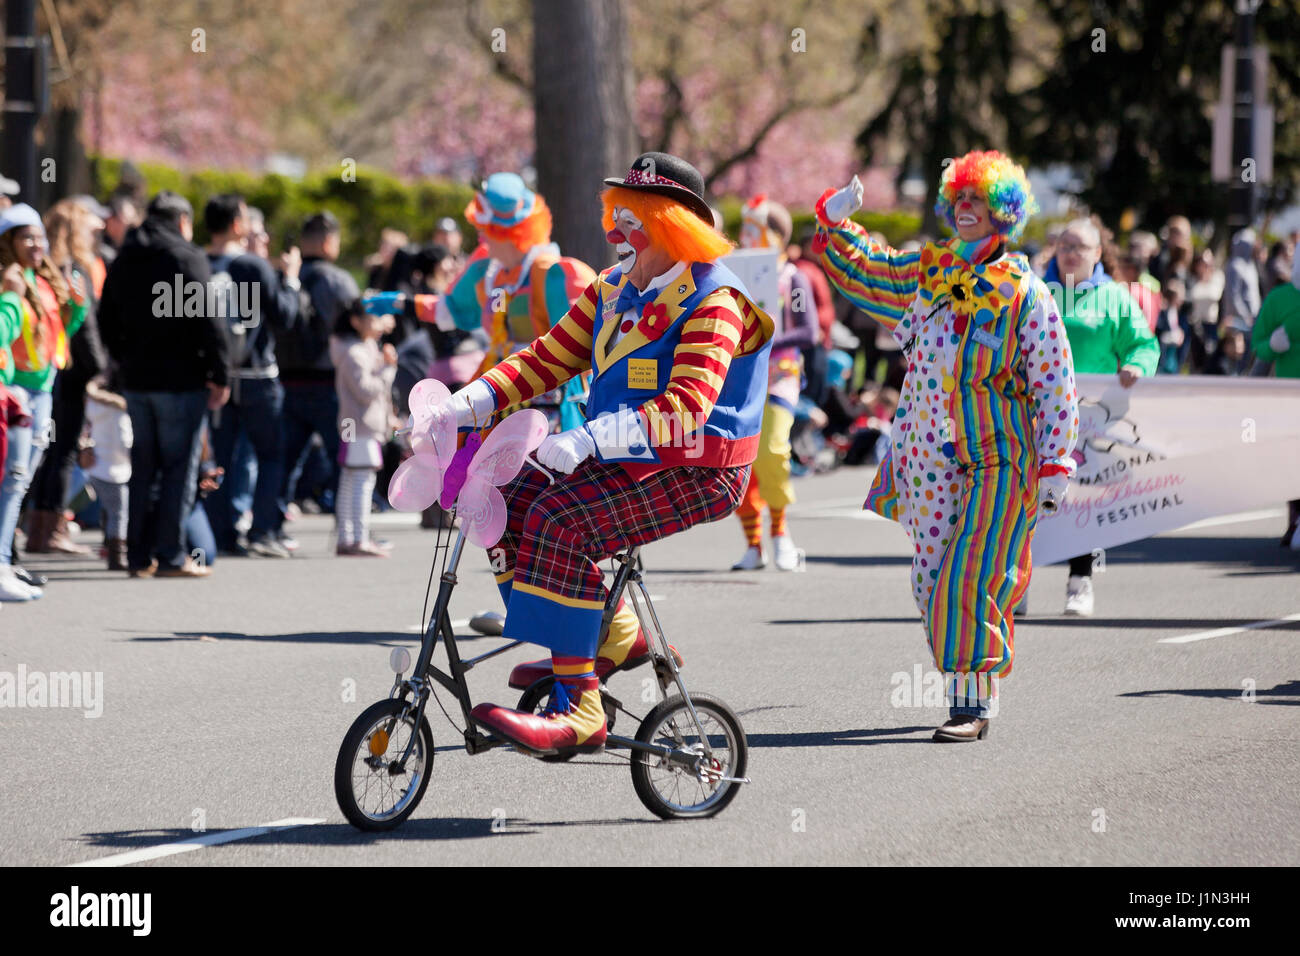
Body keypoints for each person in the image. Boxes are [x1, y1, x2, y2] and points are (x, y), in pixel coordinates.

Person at [389, 152, 775, 758]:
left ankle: (580, 709)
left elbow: (687, 408)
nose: (618, 229)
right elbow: (544, 358)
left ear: (673, 225)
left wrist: (590, 438)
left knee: (562, 521)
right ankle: (595, 640)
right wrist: (466, 403)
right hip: (632, 458)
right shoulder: (614, 287)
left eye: (634, 217)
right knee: (496, 496)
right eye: (616, 214)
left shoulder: (715, 299)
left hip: (702, 467)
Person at [815, 150, 1078, 741]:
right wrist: (837, 226)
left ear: (1003, 212)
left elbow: (1054, 380)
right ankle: (971, 663)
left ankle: (970, 703)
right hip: (926, 454)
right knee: (930, 579)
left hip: (998, 456)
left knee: (970, 573)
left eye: (978, 201)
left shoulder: (1025, 294)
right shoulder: (929, 275)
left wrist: (1058, 459)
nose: (965, 209)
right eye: (959, 199)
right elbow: (872, 271)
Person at [98, 190, 230, 578]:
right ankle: (171, 556)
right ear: (182, 221)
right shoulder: (187, 257)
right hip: (181, 379)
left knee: (143, 465)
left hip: (137, 381)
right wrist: (220, 374)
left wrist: (123, 358)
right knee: (178, 469)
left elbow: (105, 317)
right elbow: (210, 320)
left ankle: (138, 556)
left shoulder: (125, 256)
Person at [1045, 217, 1157, 615]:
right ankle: (1015, 584)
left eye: (1079, 247)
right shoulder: (1036, 293)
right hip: (1036, 413)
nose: (1070, 253)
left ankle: (1080, 582)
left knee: (1083, 499)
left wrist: (1136, 366)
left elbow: (1143, 344)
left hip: (1091, 419)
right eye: (1063, 246)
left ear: (1097, 254)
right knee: (1024, 496)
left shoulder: (1115, 298)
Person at [202, 193, 302, 558]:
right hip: (258, 374)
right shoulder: (254, 266)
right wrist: (290, 280)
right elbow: (286, 317)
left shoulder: (198, 262)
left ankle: (219, 535)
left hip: (216, 377)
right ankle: (262, 531)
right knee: (271, 453)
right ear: (236, 224)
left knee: (220, 457)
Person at [0, 203, 89, 601]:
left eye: (39, 236)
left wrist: (77, 308)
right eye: (26, 237)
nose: (36, 243)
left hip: (42, 392)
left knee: (20, 483)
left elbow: (55, 340)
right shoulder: (12, 281)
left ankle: (5, 560)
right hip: (17, 392)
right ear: (9, 242)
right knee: (12, 481)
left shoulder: (39, 279)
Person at [730, 195, 816, 571]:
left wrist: (768, 339)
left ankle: (781, 534)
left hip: (780, 378)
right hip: (738, 380)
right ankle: (753, 544)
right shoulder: (729, 273)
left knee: (772, 451)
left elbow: (808, 330)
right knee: (738, 461)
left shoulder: (792, 277)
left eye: (756, 229)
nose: (747, 236)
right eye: (744, 229)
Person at [24, 199, 109, 556]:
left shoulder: (45, 269)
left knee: (46, 452)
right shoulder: (75, 272)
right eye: (91, 230)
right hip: (71, 372)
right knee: (64, 454)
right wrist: (99, 370)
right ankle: (52, 529)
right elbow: (85, 327)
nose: (95, 236)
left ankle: (38, 530)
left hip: (46, 370)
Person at [273, 212, 355, 532]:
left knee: (284, 460)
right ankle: (348, 527)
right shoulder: (338, 281)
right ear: (327, 241)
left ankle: (270, 525)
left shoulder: (284, 277)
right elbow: (356, 327)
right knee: (344, 456)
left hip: (287, 380)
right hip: (329, 383)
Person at [330, 299, 398, 556]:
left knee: (351, 480)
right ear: (356, 322)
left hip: (355, 424)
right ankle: (358, 538)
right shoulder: (355, 352)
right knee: (361, 481)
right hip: (361, 425)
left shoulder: (358, 348)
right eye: (374, 319)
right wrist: (389, 370)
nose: (380, 324)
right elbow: (366, 391)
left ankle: (348, 537)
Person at [1251, 254, 1300, 547]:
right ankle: (1295, 518)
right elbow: (1259, 343)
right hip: (1289, 397)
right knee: (1293, 462)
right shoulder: (1279, 299)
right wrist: (1271, 345)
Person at [81, 372, 132, 570]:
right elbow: (124, 443)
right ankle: (117, 555)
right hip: (116, 469)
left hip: (96, 467)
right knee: (118, 514)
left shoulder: (93, 409)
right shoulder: (118, 412)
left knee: (107, 510)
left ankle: (107, 546)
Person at [1218, 229, 1261, 376]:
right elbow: (1233, 296)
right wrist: (1244, 315)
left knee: (1247, 356)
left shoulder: (1251, 265)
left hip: (1251, 321)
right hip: (1239, 320)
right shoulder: (1234, 265)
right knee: (1235, 357)